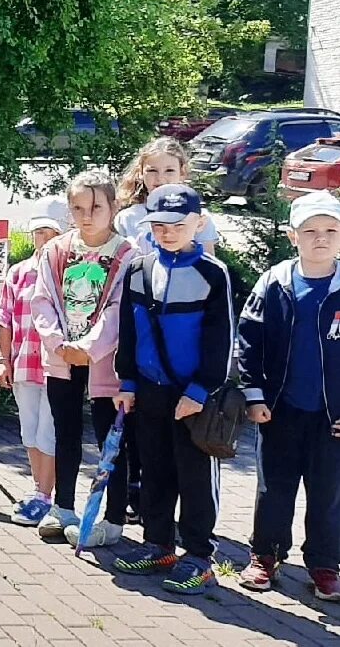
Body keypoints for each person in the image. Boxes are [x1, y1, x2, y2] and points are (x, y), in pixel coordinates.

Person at [113, 184, 235, 595]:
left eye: (178, 225)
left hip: (192, 396)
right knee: (153, 469)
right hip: (149, 391)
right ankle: (158, 543)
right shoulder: (137, 268)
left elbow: (221, 339)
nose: (167, 232)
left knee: (195, 475)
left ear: (198, 224)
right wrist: (127, 381)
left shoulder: (212, 274)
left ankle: (199, 555)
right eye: (159, 225)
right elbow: (128, 332)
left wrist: (200, 391)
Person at [235, 190, 340, 601]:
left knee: (329, 493)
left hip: (331, 417)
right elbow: (249, 340)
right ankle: (265, 555)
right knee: (273, 489)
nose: (321, 238)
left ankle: (324, 565)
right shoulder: (275, 283)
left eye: (331, 230)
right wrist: (255, 396)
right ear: (292, 236)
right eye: (310, 230)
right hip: (279, 410)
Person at [31, 170, 135, 545]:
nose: (86, 215)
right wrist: (59, 343)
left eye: (95, 207)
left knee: (112, 439)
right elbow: (41, 299)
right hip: (62, 358)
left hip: (106, 363)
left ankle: (112, 517)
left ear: (113, 207)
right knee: (66, 433)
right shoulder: (56, 250)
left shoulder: (127, 256)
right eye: (78, 208)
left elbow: (118, 309)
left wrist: (89, 347)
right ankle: (63, 507)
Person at [0, 198, 66, 525]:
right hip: (23, 363)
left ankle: (46, 496)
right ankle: (39, 491)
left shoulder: (70, 273)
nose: (44, 237)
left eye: (51, 231)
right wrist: (3, 360)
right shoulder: (18, 272)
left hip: (57, 368)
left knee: (49, 432)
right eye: (39, 231)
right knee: (30, 431)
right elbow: (4, 319)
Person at [115, 137, 219, 254]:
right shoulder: (127, 218)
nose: (160, 178)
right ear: (140, 172)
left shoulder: (197, 217)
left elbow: (208, 265)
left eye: (169, 170)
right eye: (152, 171)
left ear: (182, 172)